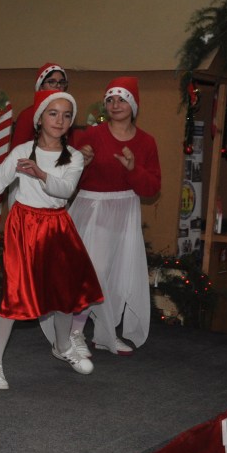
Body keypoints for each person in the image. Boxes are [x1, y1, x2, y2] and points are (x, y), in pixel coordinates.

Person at [0, 89, 103, 390]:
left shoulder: (73, 157)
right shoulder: (21, 151)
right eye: (53, 113)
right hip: (24, 227)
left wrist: (41, 174)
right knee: (15, 294)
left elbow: (65, 190)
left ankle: (63, 346)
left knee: (64, 293)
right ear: (40, 118)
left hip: (57, 227)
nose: (60, 120)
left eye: (66, 115)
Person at [61, 77, 160, 356]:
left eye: (122, 99)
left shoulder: (146, 142)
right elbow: (69, 179)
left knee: (118, 275)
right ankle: (74, 332)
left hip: (125, 213)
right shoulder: (91, 136)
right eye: (110, 100)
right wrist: (82, 163)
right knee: (93, 271)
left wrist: (133, 169)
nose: (115, 105)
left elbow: (152, 188)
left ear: (134, 104)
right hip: (94, 211)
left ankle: (105, 332)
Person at [11, 62, 68, 149]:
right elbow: (16, 151)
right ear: (41, 87)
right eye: (52, 82)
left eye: (62, 82)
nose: (58, 86)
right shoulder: (27, 115)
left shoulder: (68, 113)